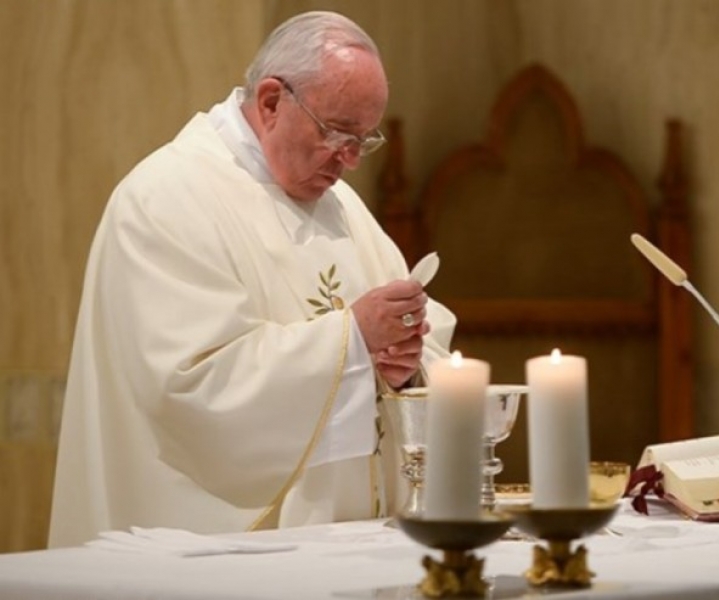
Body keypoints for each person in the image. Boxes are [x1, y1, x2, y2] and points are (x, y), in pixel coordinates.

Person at [48, 11, 455, 548]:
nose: (350, 161)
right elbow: (190, 386)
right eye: (337, 133)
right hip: (206, 555)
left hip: (348, 541)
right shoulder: (166, 198)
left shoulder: (342, 208)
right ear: (269, 102)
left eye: (365, 140)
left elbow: (423, 344)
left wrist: (404, 367)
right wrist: (352, 340)